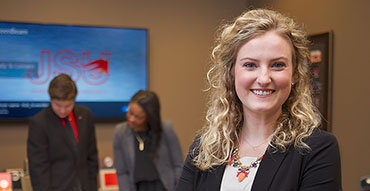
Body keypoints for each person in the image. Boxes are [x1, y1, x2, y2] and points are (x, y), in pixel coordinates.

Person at [175, 9, 342, 191]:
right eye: (250, 65)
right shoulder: (205, 148)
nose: (263, 78)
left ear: (294, 74)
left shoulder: (316, 149)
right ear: (231, 73)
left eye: (277, 65)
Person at [27, 73, 99, 191]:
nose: (62, 110)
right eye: (57, 105)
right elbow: (38, 168)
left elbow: (92, 155)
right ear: (50, 99)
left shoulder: (85, 115)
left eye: (68, 105)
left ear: (74, 100)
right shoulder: (39, 122)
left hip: (85, 185)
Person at [113, 90, 183, 191]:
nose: (131, 119)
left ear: (150, 116)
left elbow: (178, 165)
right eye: (130, 112)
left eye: (138, 117)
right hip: (137, 187)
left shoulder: (166, 129)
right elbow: (121, 172)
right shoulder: (120, 132)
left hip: (164, 186)